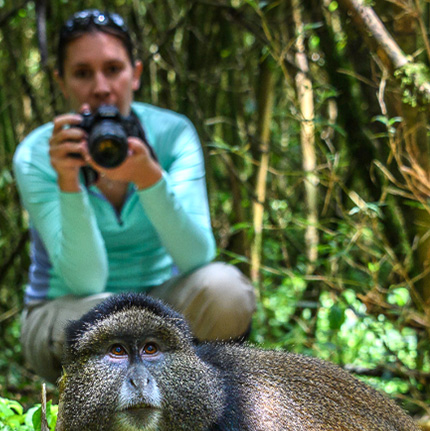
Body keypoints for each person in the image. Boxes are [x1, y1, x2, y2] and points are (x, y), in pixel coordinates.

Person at [14, 9, 256, 382]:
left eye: (113, 69)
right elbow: (87, 282)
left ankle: (214, 407)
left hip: (162, 302)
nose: (100, 87)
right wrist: (69, 180)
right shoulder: (38, 154)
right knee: (111, 323)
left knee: (225, 289)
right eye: (82, 73)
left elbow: (197, 257)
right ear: (62, 83)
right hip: (67, 309)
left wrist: (149, 179)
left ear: (136, 74)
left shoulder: (172, 135)